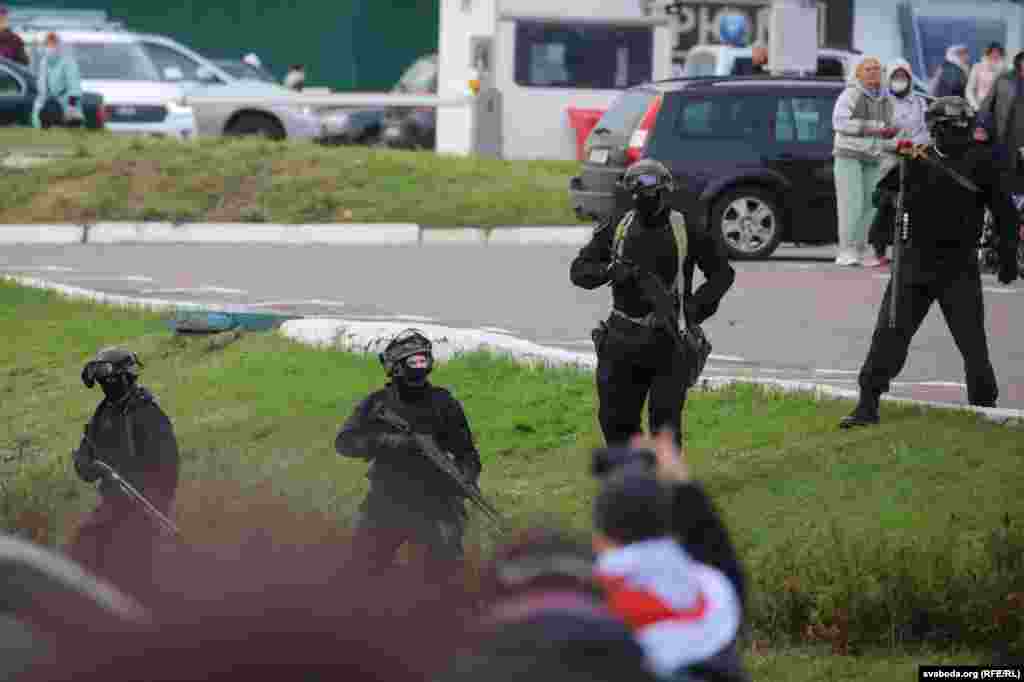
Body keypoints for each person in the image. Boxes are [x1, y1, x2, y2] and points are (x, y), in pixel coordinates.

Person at [841, 97, 1020, 428]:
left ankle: (985, 405)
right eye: (952, 128)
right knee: (890, 336)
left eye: (962, 128)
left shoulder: (982, 162)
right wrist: (887, 219)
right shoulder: (916, 158)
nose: (958, 133)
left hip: (959, 268)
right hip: (914, 266)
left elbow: (1005, 214)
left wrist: (1008, 258)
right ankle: (867, 403)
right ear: (936, 129)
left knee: (972, 343)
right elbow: (882, 195)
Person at [569, 160, 735, 450]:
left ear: (666, 193)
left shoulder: (686, 228)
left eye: (653, 193)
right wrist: (609, 272)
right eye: (638, 194)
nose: (646, 200)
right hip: (622, 340)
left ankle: (667, 487)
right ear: (630, 195)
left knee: (665, 423)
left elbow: (722, 274)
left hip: (669, 342)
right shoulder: (618, 226)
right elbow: (579, 271)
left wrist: (695, 309)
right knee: (615, 421)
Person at [591, 432, 748, 681]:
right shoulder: (712, 599)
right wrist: (683, 485)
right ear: (667, 527)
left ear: (600, 540)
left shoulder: (583, 613)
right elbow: (716, 552)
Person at [335, 329, 482, 578]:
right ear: (395, 366)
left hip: (436, 500)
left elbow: (467, 453)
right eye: (412, 361)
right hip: (387, 498)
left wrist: (466, 478)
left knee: (444, 572)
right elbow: (345, 442)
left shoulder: (444, 403)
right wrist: (388, 442)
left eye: (422, 360)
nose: (419, 366)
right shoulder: (377, 404)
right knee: (361, 570)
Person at [68, 347, 180, 599]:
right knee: (82, 548)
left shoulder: (147, 413)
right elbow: (87, 458)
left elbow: (168, 467)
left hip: (144, 507)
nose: (104, 385)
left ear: (125, 377)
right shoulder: (103, 413)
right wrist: (85, 462)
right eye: (100, 380)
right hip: (113, 504)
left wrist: (151, 497)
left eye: (108, 378)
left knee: (130, 569)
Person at [832, 55, 896, 266]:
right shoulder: (851, 94)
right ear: (858, 73)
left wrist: (891, 134)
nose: (873, 72)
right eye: (867, 69)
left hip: (873, 155)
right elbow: (839, 123)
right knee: (851, 203)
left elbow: (890, 126)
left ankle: (860, 249)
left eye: (876, 68)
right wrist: (874, 128)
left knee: (870, 205)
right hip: (849, 154)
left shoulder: (886, 98)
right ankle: (846, 250)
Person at [867, 59, 931, 267]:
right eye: (896, 77)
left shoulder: (920, 103)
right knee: (885, 207)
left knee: (912, 208)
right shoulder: (880, 103)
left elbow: (925, 132)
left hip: (914, 160)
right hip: (888, 163)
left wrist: (915, 147)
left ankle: (908, 251)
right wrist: (896, 145)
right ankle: (879, 250)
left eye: (903, 77)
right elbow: (875, 135)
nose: (899, 81)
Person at [977, 50, 1024, 172]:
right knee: (1003, 168)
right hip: (1004, 132)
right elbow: (987, 104)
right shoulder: (1004, 79)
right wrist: (980, 125)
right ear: (1019, 62)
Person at [31, 32, 83, 130]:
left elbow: (74, 84)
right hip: (47, 101)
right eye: (48, 44)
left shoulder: (68, 61)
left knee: (69, 127)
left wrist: (72, 105)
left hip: (65, 100)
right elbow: (41, 83)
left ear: (58, 45)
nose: (50, 48)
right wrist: (41, 100)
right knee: (39, 124)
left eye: (53, 44)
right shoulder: (44, 62)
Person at [966, 42, 1005, 112]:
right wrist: (975, 106)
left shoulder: (1004, 70)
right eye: (993, 52)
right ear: (988, 53)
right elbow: (969, 90)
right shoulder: (977, 67)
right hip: (980, 106)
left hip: (998, 110)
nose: (995, 55)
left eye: (998, 53)